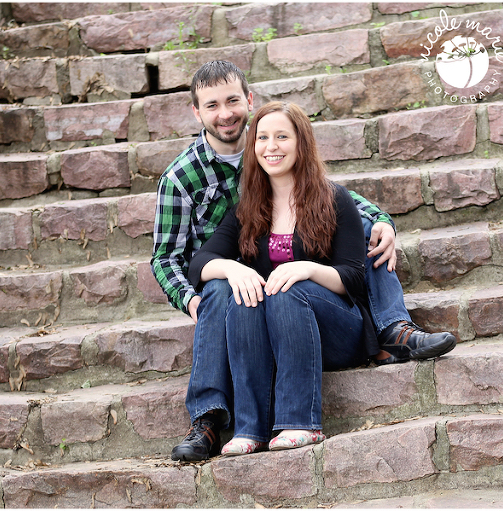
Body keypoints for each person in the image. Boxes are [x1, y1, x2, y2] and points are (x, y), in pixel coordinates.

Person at [151, 61, 456, 461]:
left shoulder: (318, 187)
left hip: (316, 303)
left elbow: (342, 216)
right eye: (212, 105)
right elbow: (173, 259)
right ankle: (227, 424)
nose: (225, 113)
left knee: (359, 238)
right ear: (197, 112)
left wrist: (381, 221)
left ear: (249, 101)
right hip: (246, 294)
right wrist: (202, 295)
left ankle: (391, 329)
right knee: (230, 290)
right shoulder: (200, 184)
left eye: (232, 101)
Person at [188, 101, 374, 454]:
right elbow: (200, 264)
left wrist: (308, 269)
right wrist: (233, 268)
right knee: (245, 294)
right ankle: (251, 430)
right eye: (262, 138)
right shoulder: (248, 208)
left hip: (336, 330)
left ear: (301, 142)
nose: (271, 146)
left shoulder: (334, 198)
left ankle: (301, 422)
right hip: (276, 334)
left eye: (282, 137)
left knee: (287, 290)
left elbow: (353, 278)